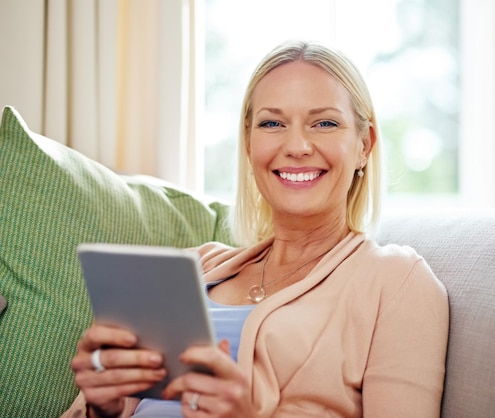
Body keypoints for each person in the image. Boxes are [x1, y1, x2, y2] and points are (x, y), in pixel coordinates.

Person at [63, 40, 449, 418]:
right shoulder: (194, 265)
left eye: (325, 122)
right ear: (249, 146)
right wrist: (103, 406)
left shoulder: (397, 282)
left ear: (365, 144)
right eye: (272, 123)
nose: (297, 145)